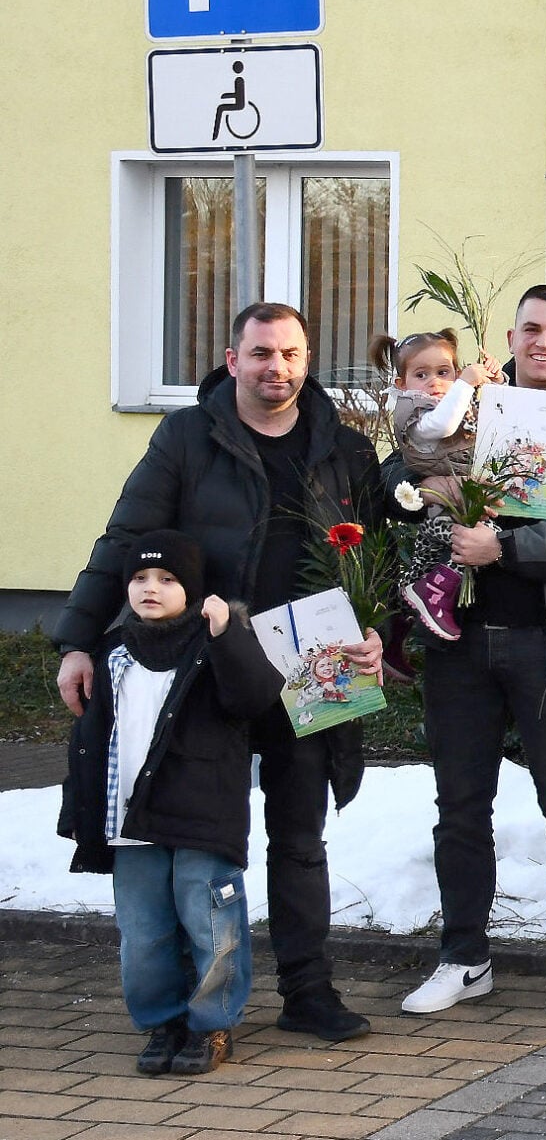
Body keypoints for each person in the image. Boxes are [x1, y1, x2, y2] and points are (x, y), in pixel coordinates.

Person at [55, 301, 386, 1043]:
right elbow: (127, 536)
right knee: (191, 842)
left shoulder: (346, 449)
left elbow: (375, 560)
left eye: (291, 354)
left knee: (300, 839)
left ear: (307, 361)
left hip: (312, 664)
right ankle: (185, 1007)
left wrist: (378, 633)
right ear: (233, 360)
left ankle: (309, 991)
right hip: (204, 670)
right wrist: (77, 640)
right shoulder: (187, 436)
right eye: (261, 353)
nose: (277, 367)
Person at [388, 286, 546, 1023]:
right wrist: (419, 484)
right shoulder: (475, 402)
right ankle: (464, 957)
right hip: (459, 640)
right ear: (511, 336)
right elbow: (400, 463)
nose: (544, 342)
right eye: (532, 328)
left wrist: (507, 547)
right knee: (460, 806)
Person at [59, 532, 285, 1078]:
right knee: (144, 934)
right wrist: (81, 810)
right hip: (130, 820)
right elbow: (92, 739)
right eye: (139, 578)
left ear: (193, 589)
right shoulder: (113, 651)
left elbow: (253, 697)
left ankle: (211, 1024)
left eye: (167, 579)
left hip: (202, 815)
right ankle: (162, 1022)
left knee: (212, 926)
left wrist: (227, 632)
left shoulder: (212, 644)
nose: (151, 588)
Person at [372, 327, 495, 642]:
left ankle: (402, 620)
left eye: (443, 373)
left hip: (446, 511)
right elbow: (445, 425)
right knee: (484, 537)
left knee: (423, 565)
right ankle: (434, 595)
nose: (434, 382)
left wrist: (493, 382)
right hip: (446, 512)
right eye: (421, 375)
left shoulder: (448, 401)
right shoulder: (416, 414)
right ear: (402, 384)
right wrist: (465, 383)